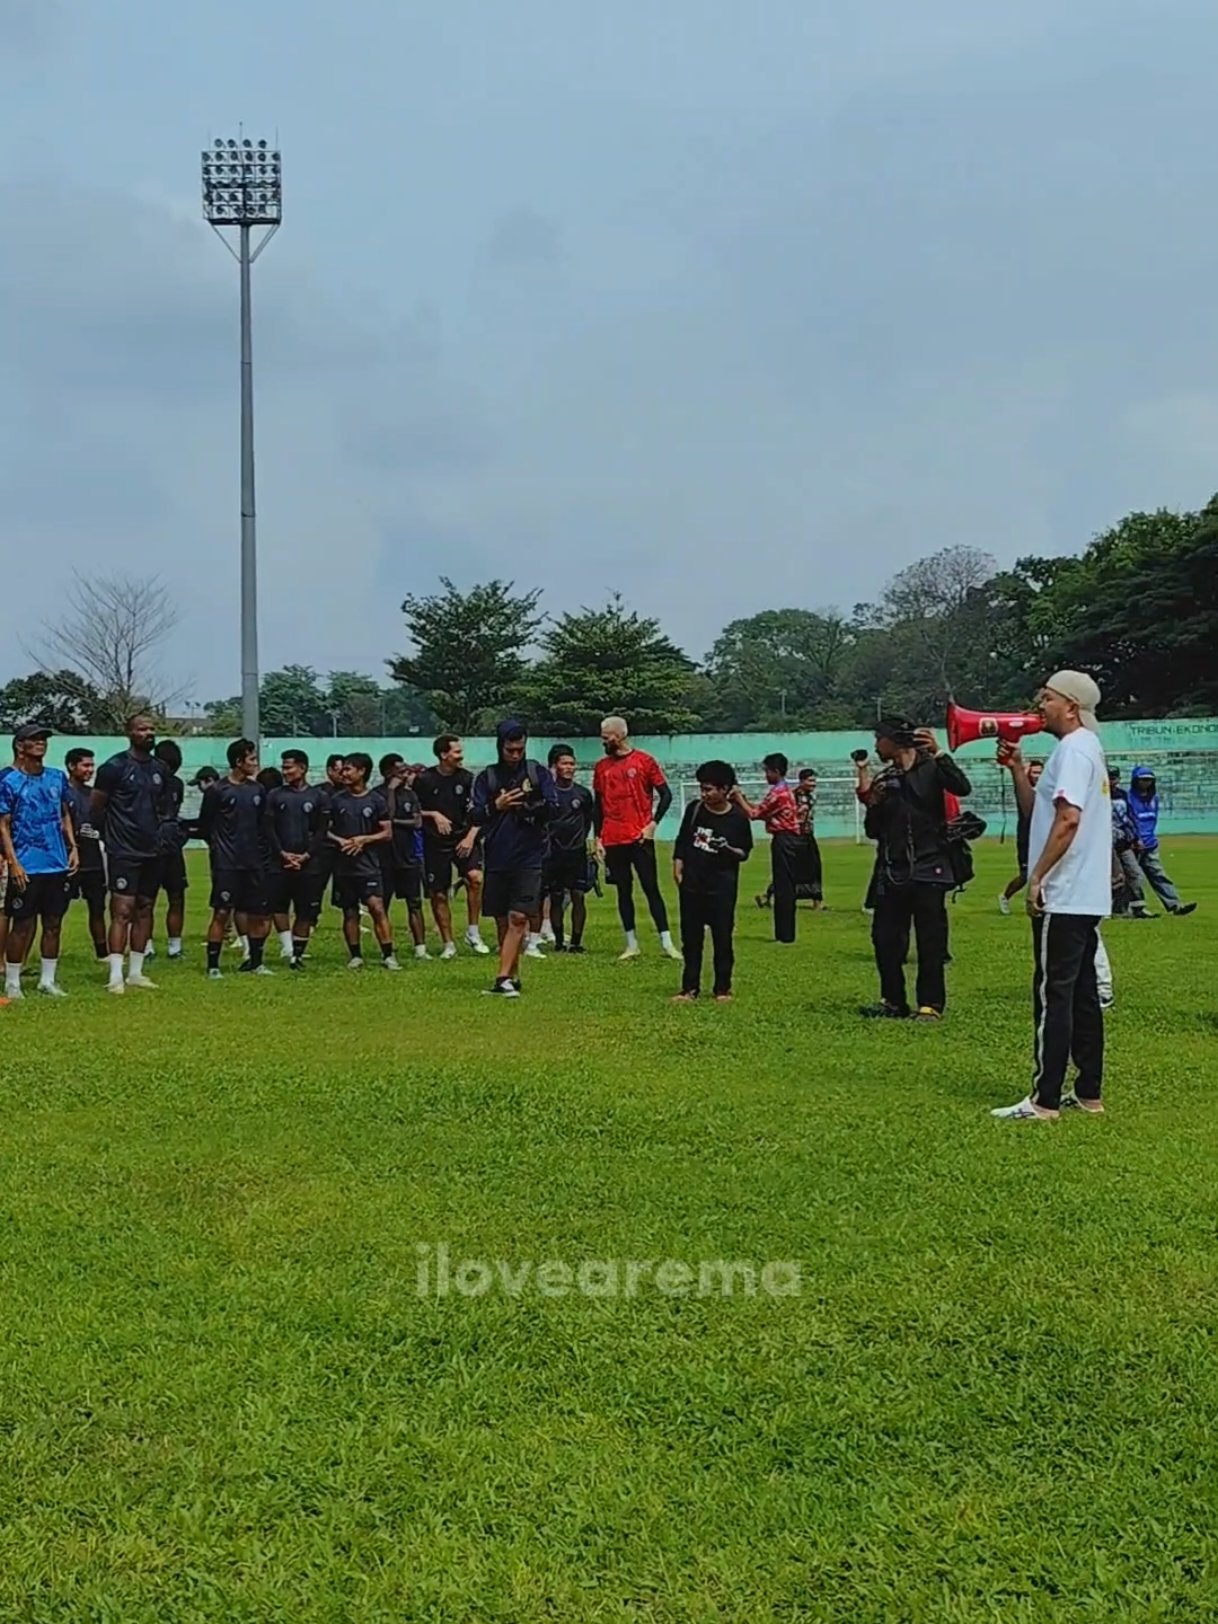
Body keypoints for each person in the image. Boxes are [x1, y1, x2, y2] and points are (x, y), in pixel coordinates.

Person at [992, 671, 1111, 1121]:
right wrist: (1017, 768)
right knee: (1081, 995)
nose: (1038, 705)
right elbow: (1036, 810)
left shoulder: (1073, 750)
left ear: (1071, 706)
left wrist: (1037, 876)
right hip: (1084, 894)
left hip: (1063, 894)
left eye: (1047, 698)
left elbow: (1067, 820)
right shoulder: (1082, 749)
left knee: (1052, 995)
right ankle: (1088, 1093)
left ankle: (1043, 1100)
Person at [861, 717, 971, 1022]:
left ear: (893, 740)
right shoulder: (885, 779)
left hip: (930, 866)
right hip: (892, 870)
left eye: (878, 738)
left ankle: (930, 1004)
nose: (875, 745)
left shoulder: (932, 769)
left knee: (930, 940)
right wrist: (875, 803)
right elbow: (872, 831)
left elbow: (962, 787)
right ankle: (893, 1001)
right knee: (885, 939)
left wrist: (939, 754)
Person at [466, 721, 557, 998]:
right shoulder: (487, 778)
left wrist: (528, 807)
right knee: (503, 921)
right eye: (510, 750)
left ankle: (502, 978)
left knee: (519, 917)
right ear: (500, 747)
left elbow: (553, 807)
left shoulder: (537, 773)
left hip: (530, 855)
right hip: (496, 856)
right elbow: (473, 816)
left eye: (520, 749)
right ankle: (512, 974)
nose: (515, 754)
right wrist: (498, 806)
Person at [91, 715, 173, 993]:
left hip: (153, 850)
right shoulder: (114, 767)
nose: (148, 733)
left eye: (151, 729)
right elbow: (97, 807)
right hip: (123, 850)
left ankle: (136, 972)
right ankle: (115, 974)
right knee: (122, 910)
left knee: (145, 908)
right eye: (142, 729)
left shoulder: (160, 768)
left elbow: (163, 808)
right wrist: (110, 836)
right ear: (129, 733)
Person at [593, 716, 680, 963]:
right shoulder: (602, 767)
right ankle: (631, 944)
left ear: (619, 735)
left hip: (640, 838)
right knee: (623, 891)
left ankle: (667, 943)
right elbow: (598, 807)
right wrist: (598, 838)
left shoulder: (644, 761)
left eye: (606, 737)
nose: (603, 741)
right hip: (613, 839)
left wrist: (652, 824)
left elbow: (666, 795)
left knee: (651, 888)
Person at [0, 723, 78, 999]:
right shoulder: (9, 781)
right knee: (22, 923)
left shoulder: (57, 777)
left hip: (56, 863)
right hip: (27, 864)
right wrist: (14, 862)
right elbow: (3, 824)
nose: (41, 743)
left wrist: (73, 847)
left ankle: (48, 979)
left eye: (43, 739)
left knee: (54, 923)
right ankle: (12, 981)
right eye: (34, 739)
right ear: (20, 746)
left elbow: (65, 813)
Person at [672, 760, 753, 1002]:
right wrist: (678, 867)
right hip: (692, 884)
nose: (704, 794)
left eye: (709, 789)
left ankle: (722, 988)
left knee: (722, 938)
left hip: (721, 887)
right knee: (691, 940)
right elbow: (683, 839)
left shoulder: (737, 818)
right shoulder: (695, 809)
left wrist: (727, 848)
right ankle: (689, 988)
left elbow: (744, 853)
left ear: (725, 789)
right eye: (702, 789)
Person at [198, 739, 273, 978]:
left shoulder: (257, 790)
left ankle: (256, 962)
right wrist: (219, 850)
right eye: (251, 759)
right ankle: (213, 966)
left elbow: (263, 826)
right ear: (238, 762)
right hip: (227, 863)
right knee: (222, 912)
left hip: (253, 862)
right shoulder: (217, 790)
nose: (255, 763)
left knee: (257, 913)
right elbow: (205, 826)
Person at [416, 734, 489, 960]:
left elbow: (480, 812)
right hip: (435, 843)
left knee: (475, 878)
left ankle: (473, 932)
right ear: (443, 755)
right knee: (438, 894)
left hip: (463, 837)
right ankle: (448, 943)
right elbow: (409, 811)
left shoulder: (468, 779)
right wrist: (433, 814)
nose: (461, 756)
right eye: (456, 752)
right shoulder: (424, 780)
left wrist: (470, 838)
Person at [327, 753, 399, 970]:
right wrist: (341, 841)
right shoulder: (336, 800)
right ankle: (355, 955)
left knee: (377, 907)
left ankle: (388, 955)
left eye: (349, 769)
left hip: (368, 865)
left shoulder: (376, 800)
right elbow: (324, 830)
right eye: (343, 769)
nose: (344, 773)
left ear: (362, 772)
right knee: (349, 911)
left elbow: (387, 833)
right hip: (343, 866)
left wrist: (364, 840)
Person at [265, 750, 331, 967]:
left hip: (309, 864)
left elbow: (321, 832)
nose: (285, 772)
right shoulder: (275, 795)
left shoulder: (319, 796)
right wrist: (282, 854)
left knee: (305, 911)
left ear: (302, 768)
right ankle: (287, 945)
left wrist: (306, 855)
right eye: (283, 768)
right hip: (280, 862)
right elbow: (269, 829)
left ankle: (297, 955)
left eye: (289, 767)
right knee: (278, 907)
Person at [732, 754, 802, 943]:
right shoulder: (783, 791)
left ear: (776, 771)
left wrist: (739, 798)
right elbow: (764, 812)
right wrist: (744, 800)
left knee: (784, 887)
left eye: (767, 771)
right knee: (784, 885)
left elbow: (754, 814)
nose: (765, 775)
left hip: (784, 840)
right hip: (789, 839)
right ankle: (785, 933)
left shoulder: (777, 793)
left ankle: (785, 934)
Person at [376, 752, 429, 961]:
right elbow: (386, 816)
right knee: (383, 905)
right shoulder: (378, 795)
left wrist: (395, 823)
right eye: (400, 771)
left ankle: (421, 948)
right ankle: (386, 948)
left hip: (408, 857)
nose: (405, 775)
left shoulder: (410, 796)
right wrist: (390, 790)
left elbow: (417, 822)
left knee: (414, 902)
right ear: (388, 773)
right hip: (385, 859)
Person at [542, 745, 594, 953]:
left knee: (578, 895)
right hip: (554, 852)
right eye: (564, 763)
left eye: (572, 764)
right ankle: (559, 941)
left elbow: (589, 819)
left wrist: (584, 841)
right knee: (555, 896)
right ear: (554, 766)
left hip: (577, 852)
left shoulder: (582, 794)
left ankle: (576, 942)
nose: (569, 767)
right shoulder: (548, 793)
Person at [1127, 766, 1196, 916]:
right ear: (1135, 781)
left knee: (1159, 874)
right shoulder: (1128, 799)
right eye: (1143, 780)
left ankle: (1175, 905)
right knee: (1134, 878)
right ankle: (1135, 908)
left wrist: (1150, 838)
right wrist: (1135, 839)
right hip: (1134, 844)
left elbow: (1153, 821)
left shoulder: (1154, 799)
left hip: (1150, 844)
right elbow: (1130, 821)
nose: (1146, 783)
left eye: (1149, 780)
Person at [63, 747, 108, 960]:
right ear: (72, 766)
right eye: (85, 765)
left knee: (98, 907)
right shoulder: (62, 793)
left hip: (93, 859)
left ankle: (103, 953)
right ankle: (49, 953)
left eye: (92, 765)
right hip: (67, 859)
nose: (90, 769)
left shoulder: (94, 796)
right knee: (55, 911)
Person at [148, 739, 189, 960]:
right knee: (147, 899)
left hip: (172, 848)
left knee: (177, 895)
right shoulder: (148, 783)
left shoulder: (177, 784)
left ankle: (175, 946)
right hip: (151, 847)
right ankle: (146, 946)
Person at [999, 760, 1044, 914]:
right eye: (1034, 772)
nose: (1038, 776)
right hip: (1026, 837)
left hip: (1042, 836)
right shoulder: (1025, 790)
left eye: (1040, 772)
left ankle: (1042, 904)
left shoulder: (1045, 790)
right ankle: (1005, 896)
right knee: (1025, 875)